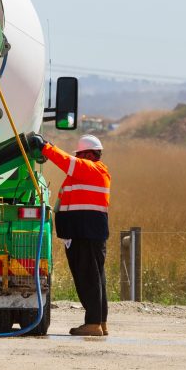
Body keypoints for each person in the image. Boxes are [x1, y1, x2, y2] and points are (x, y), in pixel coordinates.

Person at [27, 132, 111, 337]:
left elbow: (66, 161)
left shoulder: (91, 169)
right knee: (96, 277)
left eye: (81, 154)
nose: (78, 158)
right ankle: (99, 321)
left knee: (88, 277)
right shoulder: (88, 173)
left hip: (85, 232)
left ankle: (93, 324)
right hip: (85, 232)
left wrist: (45, 146)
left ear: (89, 154)